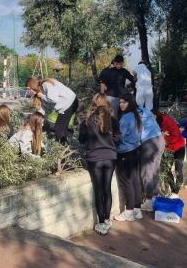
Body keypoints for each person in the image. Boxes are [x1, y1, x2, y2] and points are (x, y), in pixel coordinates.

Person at [79, 94, 120, 235]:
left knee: (98, 190)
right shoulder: (112, 119)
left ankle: (101, 222)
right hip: (110, 157)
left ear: (94, 103)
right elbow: (118, 137)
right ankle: (107, 220)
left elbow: (81, 140)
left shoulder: (88, 120)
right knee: (107, 188)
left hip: (94, 158)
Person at [114, 92, 143, 222]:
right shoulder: (136, 116)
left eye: (124, 102)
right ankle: (137, 209)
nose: (121, 105)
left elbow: (119, 137)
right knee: (135, 180)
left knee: (126, 182)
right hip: (136, 150)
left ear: (129, 103)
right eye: (120, 102)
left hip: (125, 152)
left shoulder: (125, 118)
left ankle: (129, 211)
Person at [25, 77, 78, 144]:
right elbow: (44, 108)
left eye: (29, 89)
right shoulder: (40, 93)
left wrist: (41, 96)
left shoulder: (45, 85)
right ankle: (68, 141)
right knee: (61, 128)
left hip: (70, 103)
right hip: (65, 107)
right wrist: (35, 117)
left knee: (58, 129)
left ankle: (61, 146)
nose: (29, 91)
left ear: (32, 85)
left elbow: (53, 100)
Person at [137, 107, 165, 212]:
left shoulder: (134, 115)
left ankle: (149, 200)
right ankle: (154, 196)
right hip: (159, 140)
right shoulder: (146, 111)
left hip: (149, 143)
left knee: (147, 172)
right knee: (155, 171)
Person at [155, 110, 186, 191]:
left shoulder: (167, 120)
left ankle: (177, 190)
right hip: (168, 148)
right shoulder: (155, 123)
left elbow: (175, 135)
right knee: (166, 170)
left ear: (155, 115)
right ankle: (173, 189)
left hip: (178, 146)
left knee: (178, 168)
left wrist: (163, 138)